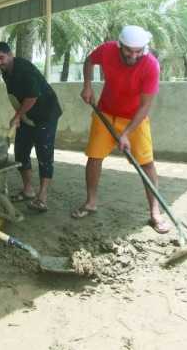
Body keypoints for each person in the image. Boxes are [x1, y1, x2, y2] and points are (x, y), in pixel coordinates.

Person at [74, 25, 169, 234]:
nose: (133, 56)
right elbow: (90, 60)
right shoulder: (107, 50)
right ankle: (91, 202)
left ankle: (155, 212)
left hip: (135, 119)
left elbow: (145, 106)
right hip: (105, 113)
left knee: (146, 163)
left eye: (138, 51)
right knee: (94, 157)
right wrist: (87, 85)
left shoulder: (151, 66)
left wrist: (125, 133)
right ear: (119, 45)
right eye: (128, 50)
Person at [0, 42, 62, 212]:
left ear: (10, 54)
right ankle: (28, 190)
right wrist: (20, 116)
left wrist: (16, 116)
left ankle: (42, 197)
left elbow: (31, 97)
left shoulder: (24, 70)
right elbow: (17, 97)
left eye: (1, 58)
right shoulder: (7, 72)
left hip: (46, 115)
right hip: (27, 116)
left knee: (44, 154)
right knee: (21, 152)